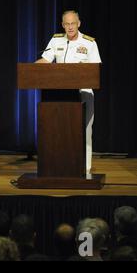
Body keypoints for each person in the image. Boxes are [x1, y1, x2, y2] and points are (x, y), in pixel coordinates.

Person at [36, 10, 101, 174]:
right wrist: (32, 69)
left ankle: (85, 169)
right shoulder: (56, 39)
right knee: (61, 130)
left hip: (83, 92)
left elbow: (95, 70)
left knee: (84, 130)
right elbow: (45, 60)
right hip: (60, 93)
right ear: (62, 25)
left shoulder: (89, 43)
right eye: (67, 24)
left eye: (73, 23)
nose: (70, 27)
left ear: (79, 23)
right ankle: (62, 165)